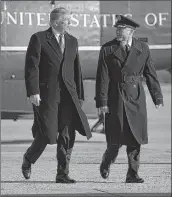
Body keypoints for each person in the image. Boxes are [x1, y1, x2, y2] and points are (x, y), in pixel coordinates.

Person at [22, 7, 92, 183]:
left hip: (69, 96)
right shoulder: (38, 39)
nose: (69, 24)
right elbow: (32, 67)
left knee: (67, 134)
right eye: (66, 21)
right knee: (47, 133)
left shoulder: (72, 41)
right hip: (47, 95)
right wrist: (33, 91)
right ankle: (29, 159)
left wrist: (80, 95)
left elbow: (77, 70)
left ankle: (62, 173)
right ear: (55, 22)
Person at [95, 14, 164, 183]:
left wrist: (157, 96)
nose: (118, 32)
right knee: (115, 139)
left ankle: (132, 174)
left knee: (135, 138)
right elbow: (102, 78)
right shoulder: (107, 49)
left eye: (121, 29)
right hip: (115, 98)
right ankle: (107, 160)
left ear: (131, 31)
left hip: (135, 97)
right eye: (117, 29)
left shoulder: (143, 48)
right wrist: (102, 102)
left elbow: (150, 74)